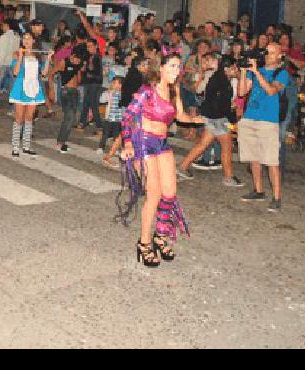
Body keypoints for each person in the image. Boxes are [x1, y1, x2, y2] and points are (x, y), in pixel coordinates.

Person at [118, 52, 202, 268]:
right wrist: (127, 144)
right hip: (143, 142)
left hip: (162, 143)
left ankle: (160, 237)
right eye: (172, 66)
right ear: (161, 68)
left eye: (178, 67)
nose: (177, 70)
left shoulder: (174, 91)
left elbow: (181, 117)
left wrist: (201, 119)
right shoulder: (147, 90)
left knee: (170, 193)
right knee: (153, 194)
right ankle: (144, 243)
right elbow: (127, 118)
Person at [176, 55, 244, 187]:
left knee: (203, 144)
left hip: (212, 117)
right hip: (217, 119)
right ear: (227, 68)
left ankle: (182, 167)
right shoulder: (222, 82)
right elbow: (220, 104)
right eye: (234, 67)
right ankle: (229, 177)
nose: (236, 70)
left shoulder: (217, 77)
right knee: (227, 147)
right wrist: (231, 118)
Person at [237, 43, 290, 212]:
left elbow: (271, 90)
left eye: (272, 53)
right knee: (254, 158)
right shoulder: (255, 70)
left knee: (272, 161)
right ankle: (258, 190)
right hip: (249, 117)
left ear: (280, 56)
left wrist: (256, 72)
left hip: (268, 121)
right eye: (266, 52)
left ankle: (277, 197)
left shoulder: (281, 73)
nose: (268, 55)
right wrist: (244, 71)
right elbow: (241, 92)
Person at [9, 32, 54, 157]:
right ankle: (15, 147)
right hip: (20, 89)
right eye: (24, 38)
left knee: (29, 118)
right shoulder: (17, 54)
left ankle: (26, 146)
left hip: (33, 89)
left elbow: (44, 73)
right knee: (19, 119)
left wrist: (49, 58)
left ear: (33, 40)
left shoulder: (37, 55)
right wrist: (21, 57)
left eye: (29, 38)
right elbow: (16, 72)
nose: (26, 41)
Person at [51, 46, 83, 153]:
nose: (78, 61)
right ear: (72, 56)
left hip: (75, 92)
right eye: (76, 58)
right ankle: (60, 142)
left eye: (79, 60)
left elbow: (78, 80)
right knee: (70, 117)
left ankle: (62, 142)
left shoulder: (78, 65)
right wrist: (51, 90)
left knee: (71, 118)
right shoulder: (63, 63)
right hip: (66, 92)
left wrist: (78, 70)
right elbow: (51, 74)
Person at [75, 38, 103, 133]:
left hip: (94, 83)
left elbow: (98, 73)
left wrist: (88, 72)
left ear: (96, 46)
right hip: (89, 82)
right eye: (88, 46)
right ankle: (82, 122)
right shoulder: (89, 56)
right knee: (86, 103)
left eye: (90, 46)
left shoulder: (97, 57)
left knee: (93, 104)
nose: (89, 48)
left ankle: (99, 126)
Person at [97, 76, 123, 156]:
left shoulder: (122, 94)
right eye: (113, 83)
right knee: (105, 133)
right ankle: (101, 147)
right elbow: (101, 100)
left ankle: (115, 149)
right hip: (109, 117)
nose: (113, 84)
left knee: (116, 135)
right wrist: (105, 93)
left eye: (115, 83)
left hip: (118, 118)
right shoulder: (109, 93)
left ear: (120, 85)